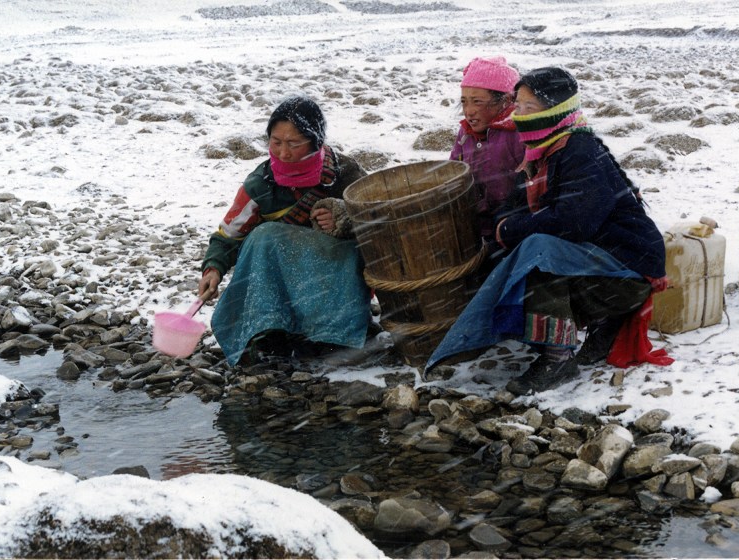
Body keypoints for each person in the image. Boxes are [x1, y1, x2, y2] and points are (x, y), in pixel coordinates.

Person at [426, 67, 672, 394]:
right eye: (519, 106)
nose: (520, 114)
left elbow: (573, 223)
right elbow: (515, 204)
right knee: (524, 250)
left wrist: (512, 229)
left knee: (538, 252)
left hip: (628, 264)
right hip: (598, 259)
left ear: (555, 109)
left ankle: (557, 356)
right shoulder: (541, 150)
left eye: (529, 108)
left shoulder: (580, 151)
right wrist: (505, 227)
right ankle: (603, 323)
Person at [198, 95, 370, 366]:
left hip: (332, 281)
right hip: (284, 283)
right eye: (275, 143)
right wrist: (213, 269)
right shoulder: (261, 183)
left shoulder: (344, 172)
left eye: (293, 144)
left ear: (315, 143)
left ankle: (332, 333)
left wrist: (344, 216)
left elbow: (379, 216)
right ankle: (270, 331)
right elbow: (229, 233)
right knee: (263, 238)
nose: (283, 153)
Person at [450, 56, 525, 243]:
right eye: (464, 101)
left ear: (505, 100)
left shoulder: (518, 135)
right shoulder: (465, 133)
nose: (469, 111)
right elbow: (453, 170)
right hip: (475, 227)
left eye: (477, 102)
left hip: (511, 229)